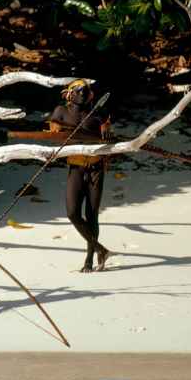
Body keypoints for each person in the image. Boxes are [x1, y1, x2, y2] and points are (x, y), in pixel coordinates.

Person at [48, 79, 112, 272]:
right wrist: (55, 129)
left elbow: (107, 128)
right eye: (78, 90)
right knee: (72, 213)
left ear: (91, 95)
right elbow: (52, 127)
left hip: (95, 168)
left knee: (92, 215)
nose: (82, 93)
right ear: (70, 94)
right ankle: (101, 249)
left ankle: (90, 259)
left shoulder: (97, 114)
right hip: (75, 167)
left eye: (85, 91)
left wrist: (106, 128)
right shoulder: (61, 112)